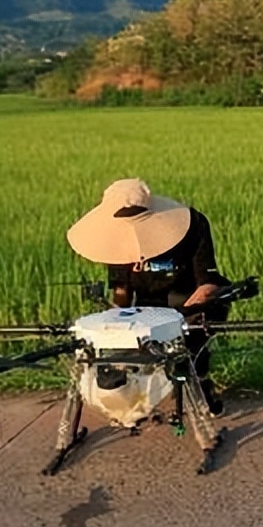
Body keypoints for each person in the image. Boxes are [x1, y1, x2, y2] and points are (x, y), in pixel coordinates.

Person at [66, 178, 230, 415]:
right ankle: (135, 394)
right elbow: (121, 291)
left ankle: (200, 385)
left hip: (190, 299)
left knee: (190, 350)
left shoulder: (193, 225)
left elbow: (207, 284)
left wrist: (179, 322)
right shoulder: (115, 237)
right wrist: (117, 324)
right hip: (146, 305)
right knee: (125, 346)